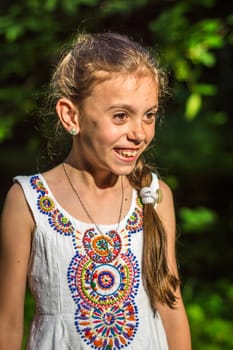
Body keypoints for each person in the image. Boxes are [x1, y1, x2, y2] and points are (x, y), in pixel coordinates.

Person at [0, 32, 191, 350]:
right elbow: (7, 323)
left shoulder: (155, 196)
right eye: (120, 116)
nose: (139, 133)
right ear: (71, 115)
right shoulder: (28, 202)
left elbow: (171, 306)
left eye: (149, 115)